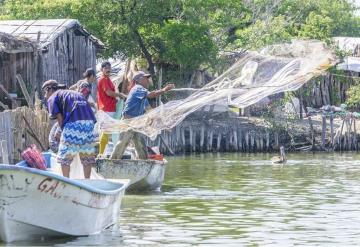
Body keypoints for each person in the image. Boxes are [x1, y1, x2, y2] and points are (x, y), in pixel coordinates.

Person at [111, 71, 175, 159]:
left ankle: (144, 162)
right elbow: (151, 95)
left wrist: (163, 124)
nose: (148, 81)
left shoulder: (142, 95)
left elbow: (150, 111)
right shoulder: (138, 88)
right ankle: (112, 162)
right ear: (139, 80)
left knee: (141, 146)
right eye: (146, 78)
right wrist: (164, 90)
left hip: (136, 123)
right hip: (128, 122)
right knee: (122, 144)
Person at [42, 80, 96, 178]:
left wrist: (62, 134)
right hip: (89, 123)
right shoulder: (74, 93)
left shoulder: (53, 97)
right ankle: (88, 182)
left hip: (73, 125)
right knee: (86, 158)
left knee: (64, 159)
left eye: (45, 92)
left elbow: (60, 119)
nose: (45, 96)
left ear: (49, 89)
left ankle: (66, 183)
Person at [97, 61, 127, 154]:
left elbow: (110, 94)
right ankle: (101, 155)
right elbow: (108, 93)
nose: (108, 69)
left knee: (107, 132)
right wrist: (119, 95)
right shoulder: (104, 79)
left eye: (109, 68)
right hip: (106, 109)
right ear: (101, 69)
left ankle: (102, 153)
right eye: (105, 68)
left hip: (109, 109)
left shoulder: (108, 79)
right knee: (106, 131)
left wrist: (117, 99)